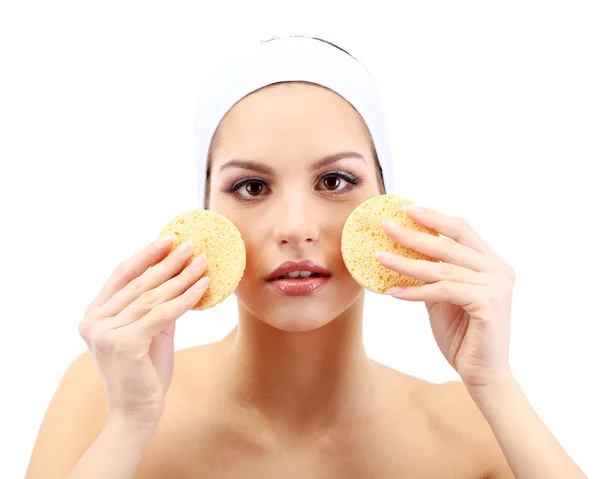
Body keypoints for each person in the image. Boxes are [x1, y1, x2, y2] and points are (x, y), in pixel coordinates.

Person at [25, 35, 586, 479]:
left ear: (386, 209)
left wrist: (497, 388)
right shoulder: (104, 397)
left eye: (336, 179)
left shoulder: (469, 429)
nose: (295, 228)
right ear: (204, 216)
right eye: (250, 187)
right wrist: (130, 425)